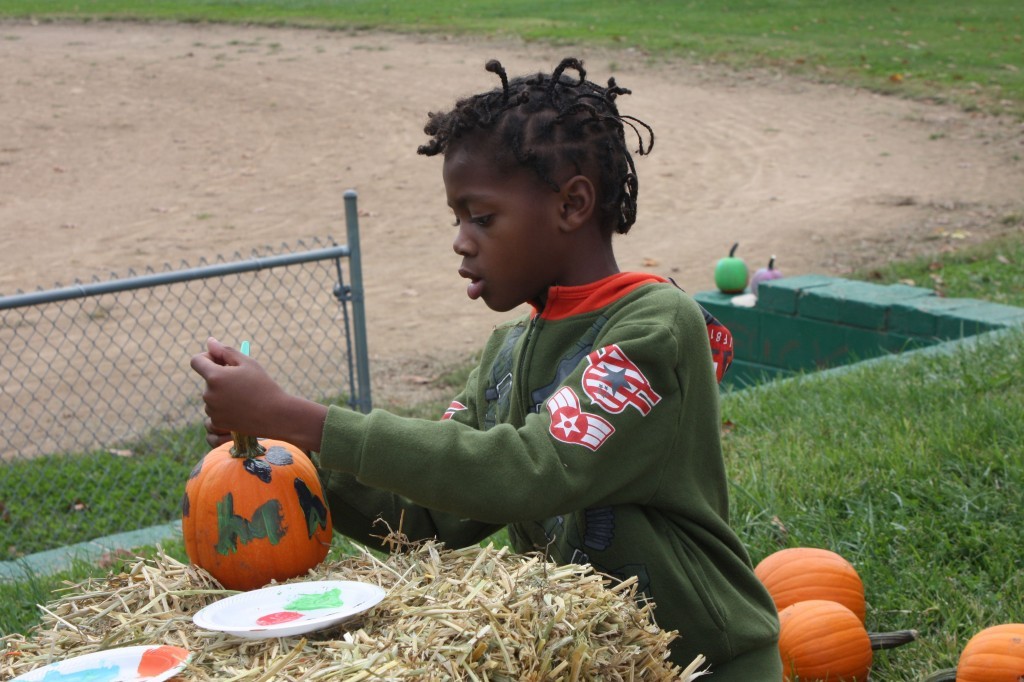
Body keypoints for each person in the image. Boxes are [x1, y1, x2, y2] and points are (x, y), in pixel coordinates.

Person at [190, 57, 781, 677]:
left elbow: (530, 469)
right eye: (456, 218)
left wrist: (306, 421)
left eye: (482, 217)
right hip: (598, 662)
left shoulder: (652, 326)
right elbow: (432, 514)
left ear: (572, 204)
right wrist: (299, 459)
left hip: (705, 663)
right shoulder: (508, 351)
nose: (461, 240)